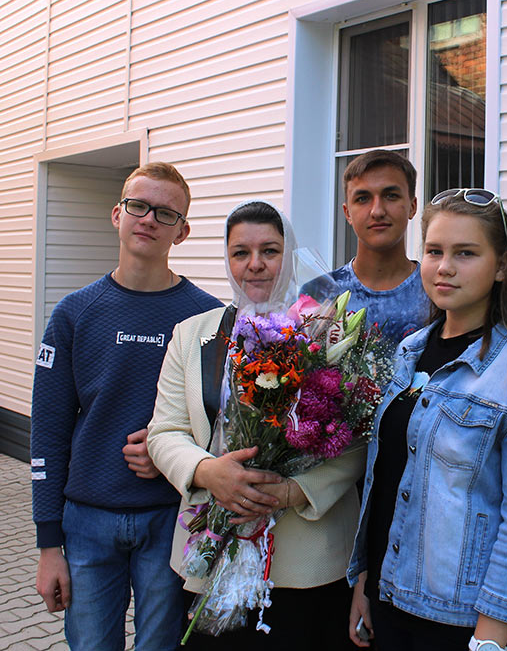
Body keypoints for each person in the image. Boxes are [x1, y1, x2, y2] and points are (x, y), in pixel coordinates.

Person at [347, 188, 507, 651]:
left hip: (461, 622)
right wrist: (365, 582)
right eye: (434, 251)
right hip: (390, 600)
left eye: (465, 253)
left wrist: (489, 641)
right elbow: (386, 480)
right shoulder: (409, 351)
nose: (444, 267)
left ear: (502, 265)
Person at [147, 200, 362, 650]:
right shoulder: (193, 335)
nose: (255, 264)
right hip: (211, 549)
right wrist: (208, 472)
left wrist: (293, 491)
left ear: (290, 253)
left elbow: (357, 438)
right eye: (240, 252)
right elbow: (165, 432)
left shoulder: (328, 330)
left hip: (307, 560)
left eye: (270, 250)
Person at [30, 162, 222, 651]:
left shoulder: (208, 319)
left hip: (172, 520)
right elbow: (48, 432)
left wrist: (171, 456)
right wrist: (48, 545)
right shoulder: (74, 313)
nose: (149, 219)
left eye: (165, 213)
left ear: (182, 231)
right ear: (117, 214)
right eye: (138, 206)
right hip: (87, 522)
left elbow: (225, 428)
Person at [323, 150, 431, 345]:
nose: (377, 211)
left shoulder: (437, 292)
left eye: (391, 196)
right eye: (362, 198)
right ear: (347, 213)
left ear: (412, 206)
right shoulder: (321, 293)